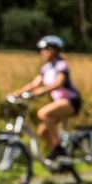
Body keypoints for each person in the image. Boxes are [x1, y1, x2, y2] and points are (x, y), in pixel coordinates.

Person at [11, 34, 81, 162]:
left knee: (43, 113)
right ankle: (60, 157)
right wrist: (18, 93)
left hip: (70, 101)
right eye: (42, 50)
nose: (44, 52)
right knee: (42, 131)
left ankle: (58, 149)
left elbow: (59, 82)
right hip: (58, 102)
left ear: (55, 50)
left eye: (47, 49)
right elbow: (34, 84)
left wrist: (43, 90)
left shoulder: (61, 65)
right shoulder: (46, 68)